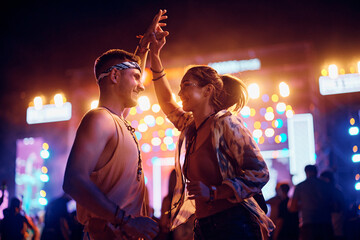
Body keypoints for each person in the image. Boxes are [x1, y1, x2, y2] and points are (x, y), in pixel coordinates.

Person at [148, 21, 274, 239]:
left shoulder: (226, 123)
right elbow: (167, 102)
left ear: (207, 90)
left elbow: (260, 172)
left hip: (234, 225)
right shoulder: (191, 127)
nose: (179, 93)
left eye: (186, 85)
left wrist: (215, 193)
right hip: (204, 227)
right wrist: (155, 56)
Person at [62, 10, 168, 240]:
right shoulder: (99, 118)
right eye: (136, 77)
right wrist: (125, 220)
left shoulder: (116, 120)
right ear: (114, 77)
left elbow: (128, 74)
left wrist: (144, 47)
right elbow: (73, 181)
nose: (141, 86)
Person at [288, 165, 334, 240]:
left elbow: (292, 208)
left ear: (306, 172)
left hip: (308, 224)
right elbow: (335, 206)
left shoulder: (300, 186)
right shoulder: (326, 185)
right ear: (316, 172)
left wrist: (304, 205)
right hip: (326, 224)